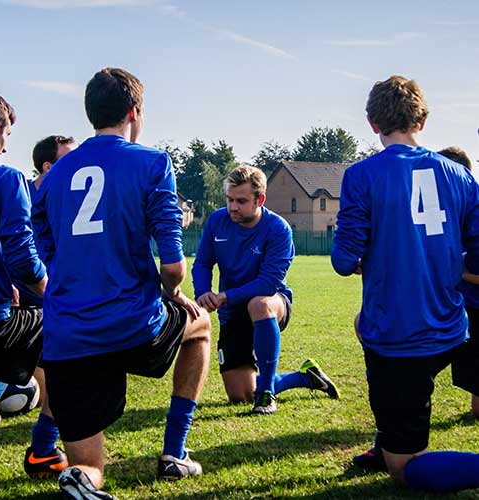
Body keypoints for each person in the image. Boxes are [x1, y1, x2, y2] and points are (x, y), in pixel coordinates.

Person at [33, 67, 211, 500]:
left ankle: (80, 479)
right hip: (132, 325)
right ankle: (174, 452)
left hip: (69, 336)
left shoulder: (53, 175)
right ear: (134, 112)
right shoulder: (152, 162)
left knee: (89, 466)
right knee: (201, 325)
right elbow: (173, 268)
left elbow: (46, 255)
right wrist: (173, 296)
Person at [332, 75, 479, 492]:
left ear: (371, 122)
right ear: (423, 120)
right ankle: (387, 439)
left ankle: (395, 448)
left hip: (400, 335)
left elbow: (344, 260)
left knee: (404, 470)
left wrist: (379, 258)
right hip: (452, 325)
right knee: (368, 329)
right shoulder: (462, 176)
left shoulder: (362, 175)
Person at [353, 145, 479, 473]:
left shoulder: (464, 201)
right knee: (371, 333)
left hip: (468, 317)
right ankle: (388, 436)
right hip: (446, 315)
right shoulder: (419, 205)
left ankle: (395, 439)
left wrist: (451, 267)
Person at [192, 165, 339, 416]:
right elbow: (203, 263)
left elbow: (268, 283)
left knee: (259, 303)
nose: (233, 207)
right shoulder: (217, 221)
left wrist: (226, 296)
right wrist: (203, 291)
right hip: (232, 312)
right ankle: (305, 377)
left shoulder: (278, 229)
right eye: (229, 199)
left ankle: (266, 394)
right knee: (240, 395)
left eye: (241, 201)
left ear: (260, 199)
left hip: (273, 304)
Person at [0, 89, 67, 476]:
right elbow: (22, 257)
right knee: (72, 336)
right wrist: (54, 293)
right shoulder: (4, 179)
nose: (4, 147)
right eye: (7, 137)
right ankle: (44, 449)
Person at [0, 135, 76, 427]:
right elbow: (15, 252)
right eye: (69, 159)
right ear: (48, 167)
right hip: (23, 290)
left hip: (46, 289)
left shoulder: (74, 202)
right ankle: (44, 442)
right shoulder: (12, 185)